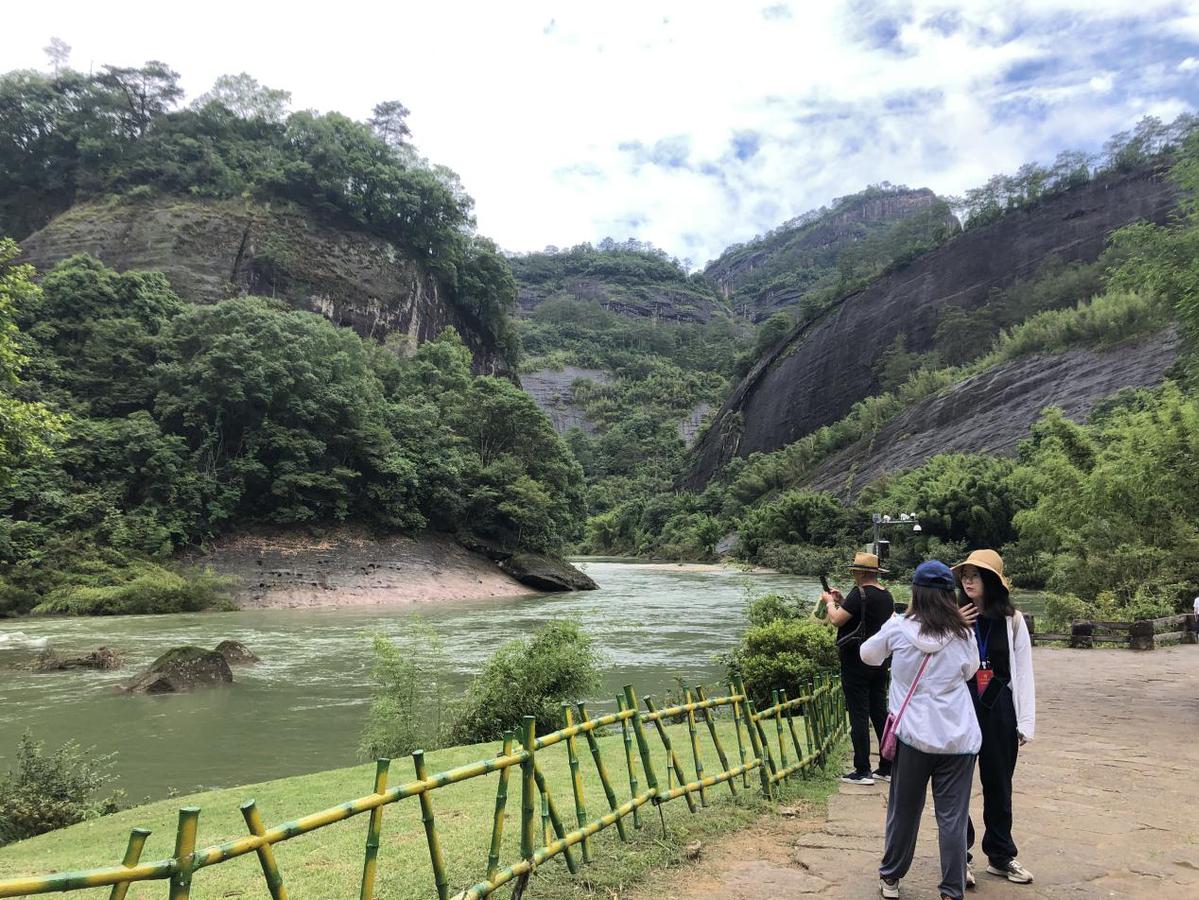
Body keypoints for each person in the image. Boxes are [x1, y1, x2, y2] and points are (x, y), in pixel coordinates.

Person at [861, 560, 980, 900]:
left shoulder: (899, 628)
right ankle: (951, 889)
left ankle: (891, 878)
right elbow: (969, 672)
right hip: (959, 738)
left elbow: (867, 655)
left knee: (904, 810)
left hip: (913, 735)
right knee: (953, 818)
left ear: (915, 592)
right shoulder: (963, 633)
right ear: (948, 596)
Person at [953, 549, 1036, 887]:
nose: (968, 579)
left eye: (976, 574)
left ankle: (1001, 856)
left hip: (999, 709)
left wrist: (1025, 722)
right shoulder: (954, 616)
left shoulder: (1012, 620)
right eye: (965, 574)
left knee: (999, 785)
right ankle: (960, 856)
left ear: (992, 581)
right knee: (957, 785)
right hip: (961, 707)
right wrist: (954, 626)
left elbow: (1024, 672)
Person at [823, 551, 896, 785]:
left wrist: (830, 603)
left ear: (860, 572)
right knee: (879, 711)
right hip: (880, 660)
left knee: (858, 713)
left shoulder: (860, 593)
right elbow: (861, 615)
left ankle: (862, 769)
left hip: (855, 661)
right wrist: (843, 601)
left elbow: (836, 619)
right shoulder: (886, 595)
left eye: (855, 571)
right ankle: (887, 766)